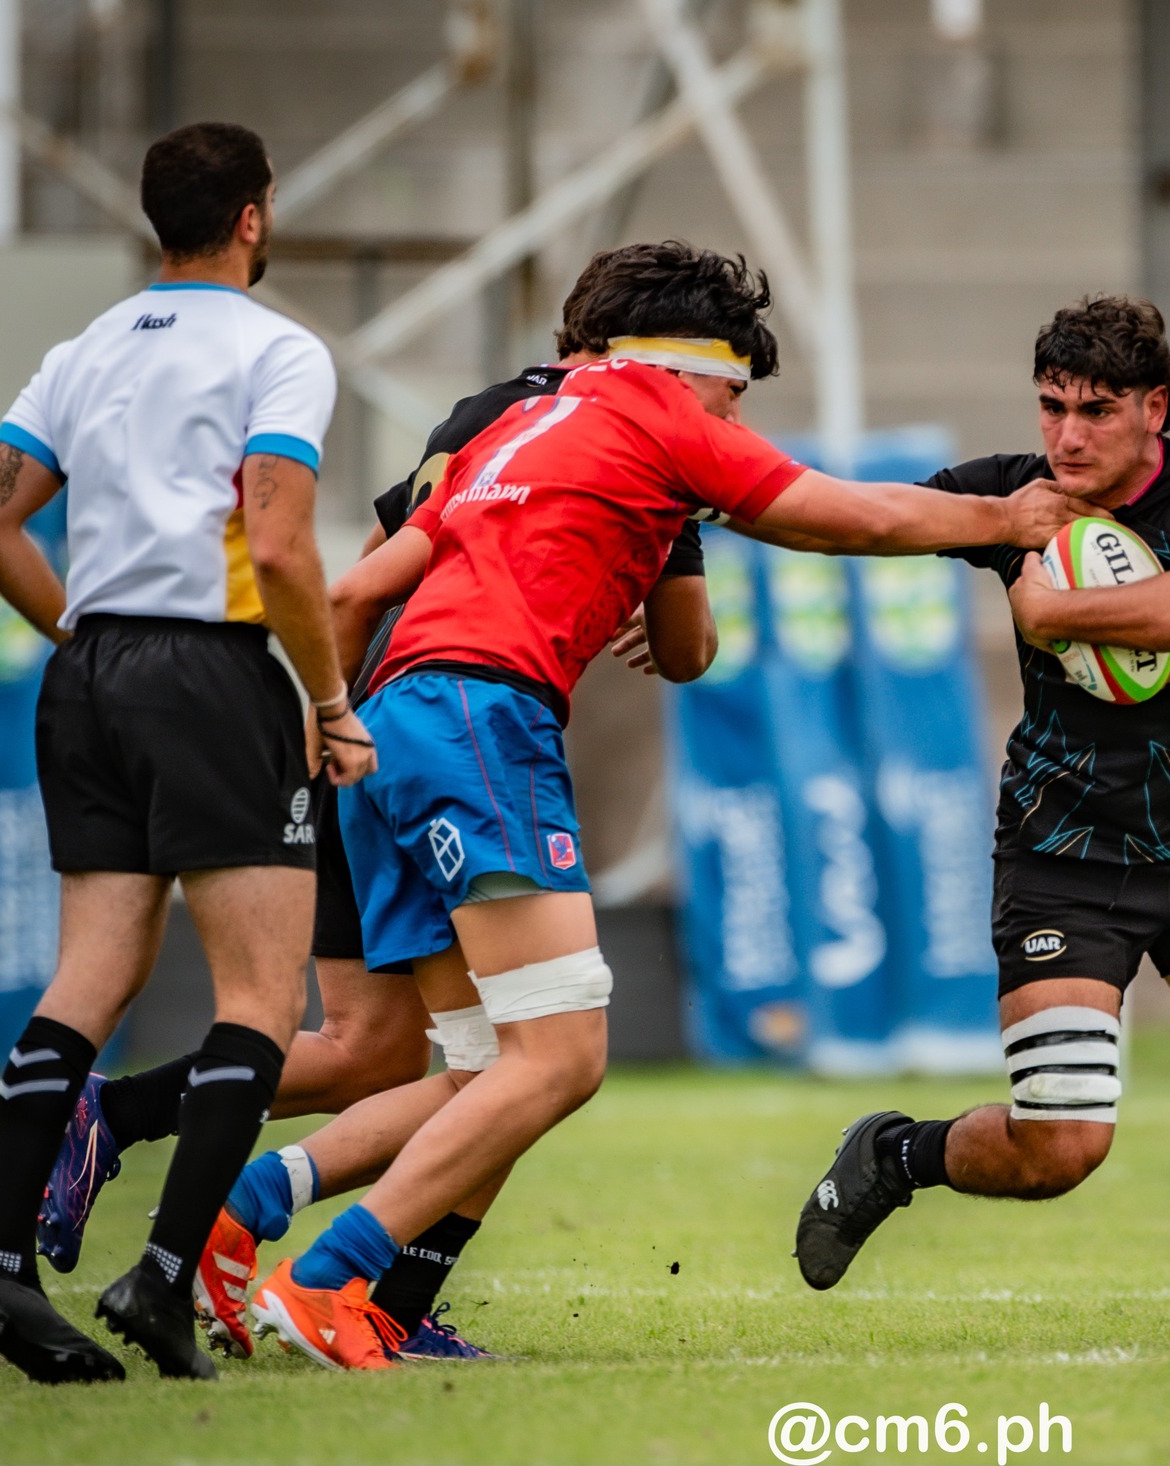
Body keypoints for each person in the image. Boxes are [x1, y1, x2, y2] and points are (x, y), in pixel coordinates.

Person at [244, 240, 1091, 1369]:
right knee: (558, 1058)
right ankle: (323, 1278)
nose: (735, 416)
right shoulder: (657, 409)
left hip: (388, 725)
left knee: (475, 1064)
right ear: (691, 364)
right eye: (736, 390)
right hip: (482, 722)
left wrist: (332, 728)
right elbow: (840, 516)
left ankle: (243, 1214)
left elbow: (352, 586)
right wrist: (1000, 519)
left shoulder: (507, 431)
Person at [33, 319, 712, 1362]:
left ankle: (136, 1130)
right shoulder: (631, 439)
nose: (730, 414)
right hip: (442, 736)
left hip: (362, 721)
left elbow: (368, 565)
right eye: (729, 387)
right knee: (520, 1051)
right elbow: (686, 648)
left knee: (384, 1047)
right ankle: (354, 1280)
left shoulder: (485, 416)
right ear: (661, 361)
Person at [787, 295, 1170, 1346]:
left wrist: (1051, 608)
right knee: (1059, 1151)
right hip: (1062, 855)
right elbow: (857, 515)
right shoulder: (1019, 493)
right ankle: (894, 1154)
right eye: (1051, 405)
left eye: (1095, 409)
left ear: (1154, 407)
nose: (1066, 433)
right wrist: (672, 555)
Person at [0, 122, 374, 1382]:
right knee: (259, 999)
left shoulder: (82, 352)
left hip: (85, 677)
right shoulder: (276, 348)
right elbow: (283, 543)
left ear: (156, 221)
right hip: (211, 670)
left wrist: (80, 626)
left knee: (89, 976)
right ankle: (162, 1278)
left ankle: (2, 1270)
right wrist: (329, 695)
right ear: (255, 215)